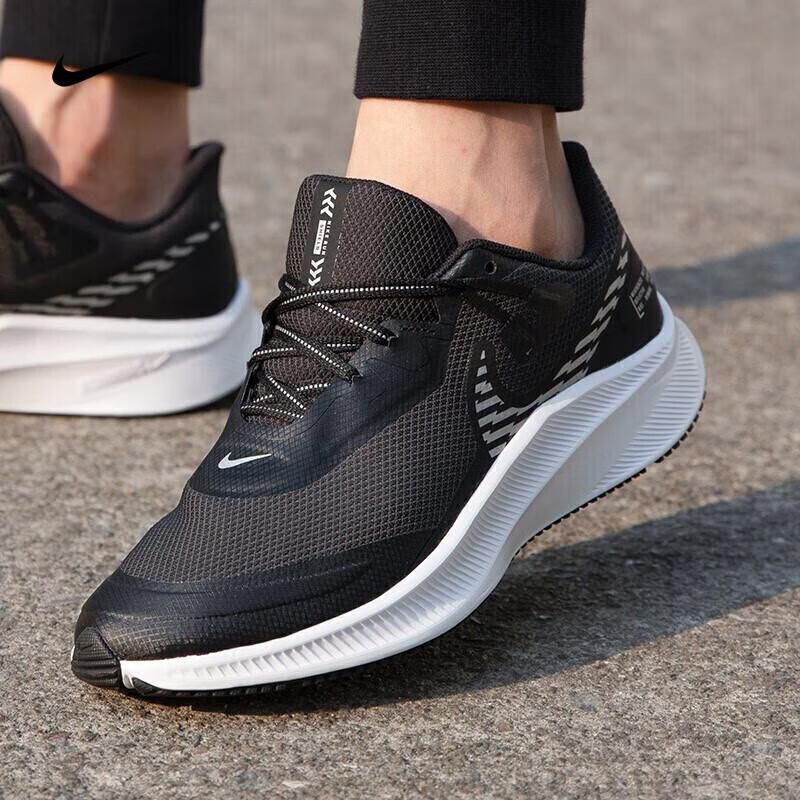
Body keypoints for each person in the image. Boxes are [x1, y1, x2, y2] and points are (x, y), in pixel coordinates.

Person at [0, 1, 705, 697]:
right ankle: (90, 138)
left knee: (449, 139)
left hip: (498, 280)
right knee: (77, 79)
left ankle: (479, 189)